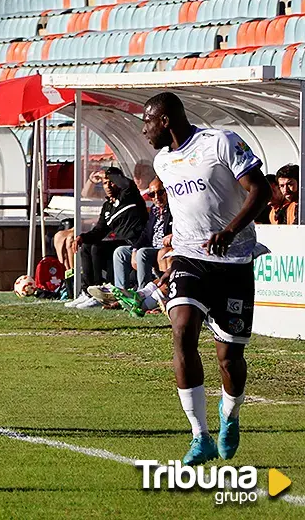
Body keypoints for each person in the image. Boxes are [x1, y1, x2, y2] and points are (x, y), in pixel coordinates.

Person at [143, 92, 271, 466]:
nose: (144, 131)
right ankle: (199, 436)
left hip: (233, 260)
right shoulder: (162, 161)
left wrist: (230, 231)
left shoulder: (221, 142)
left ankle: (229, 416)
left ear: (165, 120)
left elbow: (261, 190)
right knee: (182, 331)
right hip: (190, 258)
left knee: (229, 360)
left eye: (147, 122)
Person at [67, 167, 147, 309]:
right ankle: (88, 291)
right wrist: (82, 237)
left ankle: (101, 294)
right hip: (120, 243)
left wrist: (108, 173)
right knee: (86, 246)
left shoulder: (129, 195)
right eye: (105, 183)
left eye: (111, 182)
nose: (108, 186)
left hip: (135, 241)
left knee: (98, 248)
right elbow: (100, 231)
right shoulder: (108, 206)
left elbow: (128, 184)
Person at [112, 178, 172, 290]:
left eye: (160, 192)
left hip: (162, 249)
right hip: (151, 247)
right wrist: (134, 249)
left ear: (167, 192)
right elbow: (146, 233)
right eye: (152, 195)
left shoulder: (174, 209)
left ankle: (142, 293)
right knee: (120, 252)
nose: (156, 197)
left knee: (142, 253)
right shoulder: (154, 209)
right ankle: (121, 292)